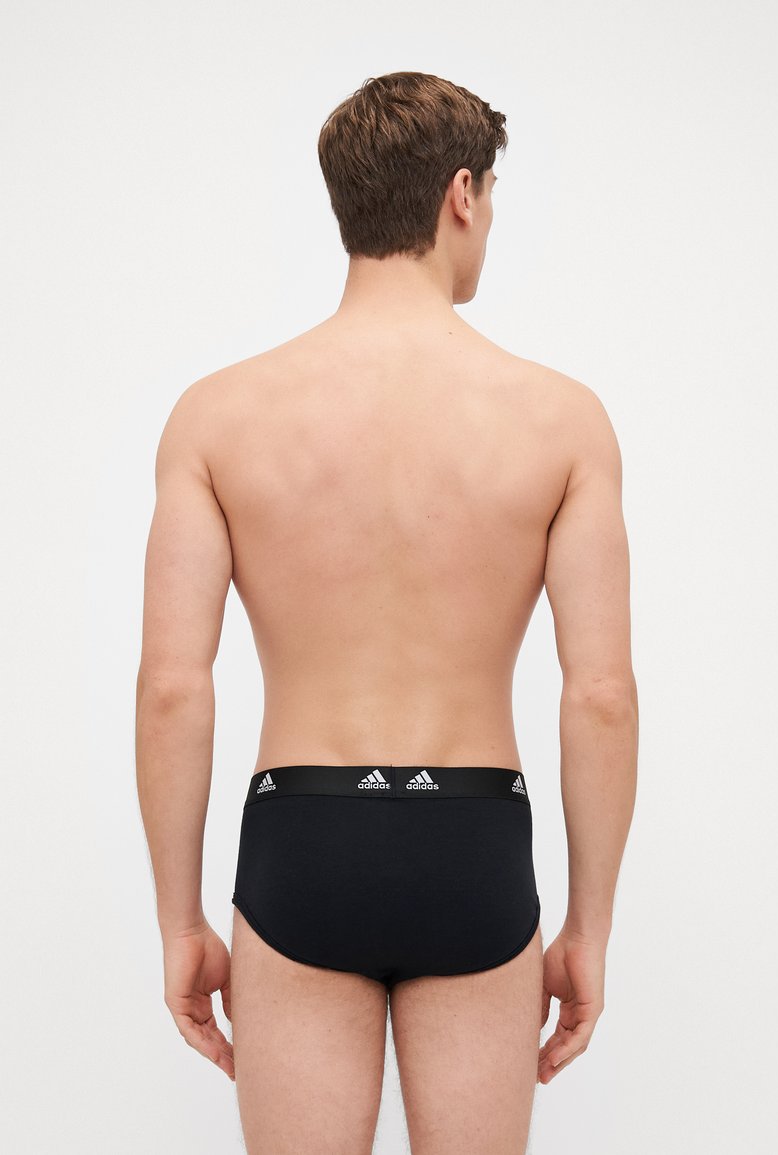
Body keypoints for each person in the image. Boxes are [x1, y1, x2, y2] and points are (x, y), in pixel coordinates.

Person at [136, 70, 638, 1154]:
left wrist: (181, 921)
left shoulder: (217, 417)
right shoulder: (561, 421)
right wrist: (587, 929)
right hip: (474, 842)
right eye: (491, 197)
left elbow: (174, 687)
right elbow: (599, 694)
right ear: (460, 193)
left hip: (301, 840)